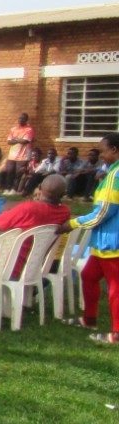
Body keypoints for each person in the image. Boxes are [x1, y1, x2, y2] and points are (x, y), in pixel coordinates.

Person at [60, 134, 119, 344]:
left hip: (113, 241)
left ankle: (117, 334)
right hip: (103, 241)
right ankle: (89, 319)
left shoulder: (115, 175)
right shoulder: (111, 172)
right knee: (89, 275)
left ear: (114, 150)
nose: (101, 155)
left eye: (103, 150)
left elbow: (102, 213)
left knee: (115, 288)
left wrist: (72, 224)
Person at [1, 112, 35, 193]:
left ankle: (14, 189)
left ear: (26, 120)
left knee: (18, 173)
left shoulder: (29, 129)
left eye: (22, 118)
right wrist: (19, 140)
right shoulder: (13, 129)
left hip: (23, 155)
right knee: (9, 171)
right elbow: (9, 141)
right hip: (12, 155)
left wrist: (15, 139)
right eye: (19, 118)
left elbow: (25, 141)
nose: (20, 120)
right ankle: (8, 188)